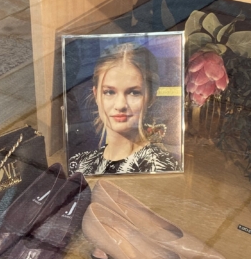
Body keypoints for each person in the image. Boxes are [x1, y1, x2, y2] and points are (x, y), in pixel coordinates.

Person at [68, 43, 180, 175]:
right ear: (96, 95)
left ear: (151, 97)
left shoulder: (162, 167)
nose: (120, 105)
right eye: (109, 92)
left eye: (134, 92)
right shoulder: (78, 164)